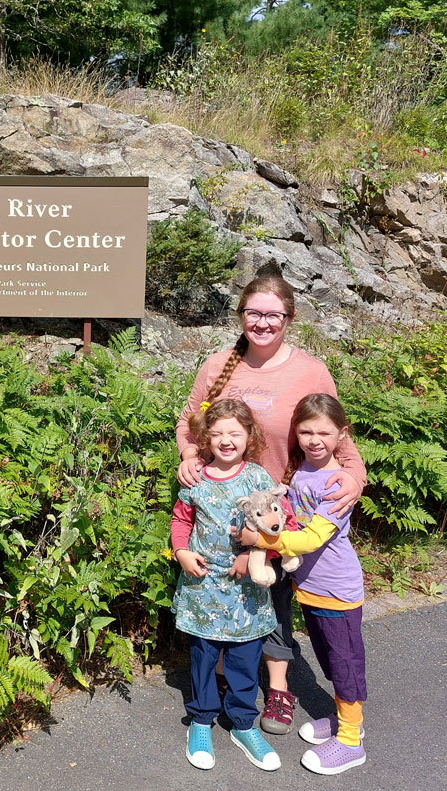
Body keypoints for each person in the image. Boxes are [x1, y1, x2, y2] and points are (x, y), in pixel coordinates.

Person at [175, 274, 366, 735]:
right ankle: (224, 680)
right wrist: (187, 454)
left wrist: (356, 477)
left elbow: (336, 433)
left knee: (274, 599)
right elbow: (188, 421)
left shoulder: (310, 371)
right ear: (240, 315)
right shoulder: (218, 363)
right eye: (252, 313)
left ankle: (278, 689)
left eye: (272, 315)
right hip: (218, 507)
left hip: (281, 512)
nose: (262, 323)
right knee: (224, 591)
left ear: (289, 318)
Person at [234, 394, 367, 775]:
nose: (314, 439)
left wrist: (260, 541)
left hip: (338, 591)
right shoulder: (300, 472)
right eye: (305, 431)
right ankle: (342, 717)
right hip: (308, 589)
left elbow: (309, 539)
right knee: (328, 660)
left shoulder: (337, 483)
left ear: (342, 434)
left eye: (324, 432)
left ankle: (351, 739)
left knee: (345, 664)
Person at [171, 398, 281, 772]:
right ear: (205, 438)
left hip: (246, 589)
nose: (226, 440)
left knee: (245, 658)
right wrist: (181, 551)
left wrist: (252, 552)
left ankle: (243, 723)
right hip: (202, 586)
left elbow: (280, 527)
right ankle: (201, 720)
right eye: (216, 434)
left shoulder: (259, 479)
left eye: (234, 433)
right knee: (203, 656)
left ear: (249, 436)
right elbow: (180, 519)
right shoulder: (195, 476)